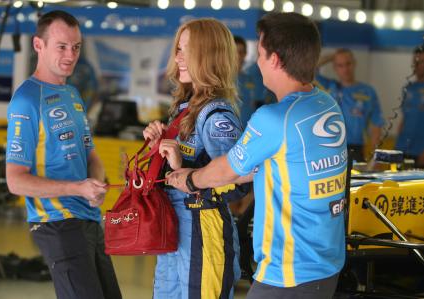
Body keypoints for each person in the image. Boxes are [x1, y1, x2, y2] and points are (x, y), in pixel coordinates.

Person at [167, 12, 347, 299]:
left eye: (260, 53)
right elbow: (262, 167)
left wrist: (189, 179)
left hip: (288, 272)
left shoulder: (274, 118)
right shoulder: (326, 104)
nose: (257, 62)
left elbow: (228, 169)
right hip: (326, 264)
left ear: (274, 60)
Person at [5, 10, 121, 299]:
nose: (71, 55)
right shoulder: (26, 100)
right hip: (57, 222)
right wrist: (77, 188)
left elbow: (90, 154)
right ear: (38, 45)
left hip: (89, 218)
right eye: (61, 46)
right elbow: (15, 181)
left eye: (76, 47)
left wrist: (95, 185)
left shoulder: (72, 94)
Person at [142, 18, 248, 298]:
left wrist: (185, 170)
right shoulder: (185, 108)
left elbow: (238, 182)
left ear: (210, 56)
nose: (178, 58)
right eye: (178, 49)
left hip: (204, 233)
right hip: (175, 230)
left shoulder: (216, 116)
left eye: (188, 50)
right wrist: (159, 147)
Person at [316, 48, 384, 162]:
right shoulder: (329, 86)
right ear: (334, 68)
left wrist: (375, 158)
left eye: (348, 64)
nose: (345, 69)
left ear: (354, 63)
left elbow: (376, 125)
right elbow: (309, 70)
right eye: (340, 65)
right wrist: (331, 57)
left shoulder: (368, 91)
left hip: (356, 148)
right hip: (331, 148)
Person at [395, 46, 424, 168]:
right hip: (402, 149)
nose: (418, 66)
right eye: (415, 62)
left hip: (420, 152)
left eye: (422, 62)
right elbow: (404, 118)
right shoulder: (408, 88)